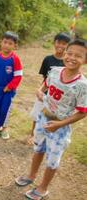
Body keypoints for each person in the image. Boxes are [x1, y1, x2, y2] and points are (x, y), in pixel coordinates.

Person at [15, 39, 87, 200]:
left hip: (59, 127)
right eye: (69, 53)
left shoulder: (83, 85)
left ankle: (43, 188)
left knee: (52, 160)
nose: (72, 58)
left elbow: (83, 112)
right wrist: (39, 91)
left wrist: (60, 124)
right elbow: (45, 84)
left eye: (78, 56)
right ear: (64, 53)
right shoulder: (55, 71)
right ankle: (31, 175)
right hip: (43, 119)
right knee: (38, 149)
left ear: (85, 60)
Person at [27, 33, 71, 145]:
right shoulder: (47, 59)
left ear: (67, 46)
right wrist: (41, 90)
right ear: (54, 43)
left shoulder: (68, 62)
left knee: (53, 117)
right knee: (37, 115)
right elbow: (45, 78)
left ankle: (48, 138)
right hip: (45, 93)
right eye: (58, 42)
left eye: (64, 43)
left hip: (59, 96)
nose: (60, 45)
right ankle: (32, 135)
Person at [0, 31, 23, 140]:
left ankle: (5, 128)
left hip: (9, 90)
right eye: (5, 42)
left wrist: (10, 86)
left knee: (5, 109)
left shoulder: (15, 59)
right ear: (0, 42)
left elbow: (18, 75)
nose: (7, 45)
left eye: (10, 43)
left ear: (15, 46)